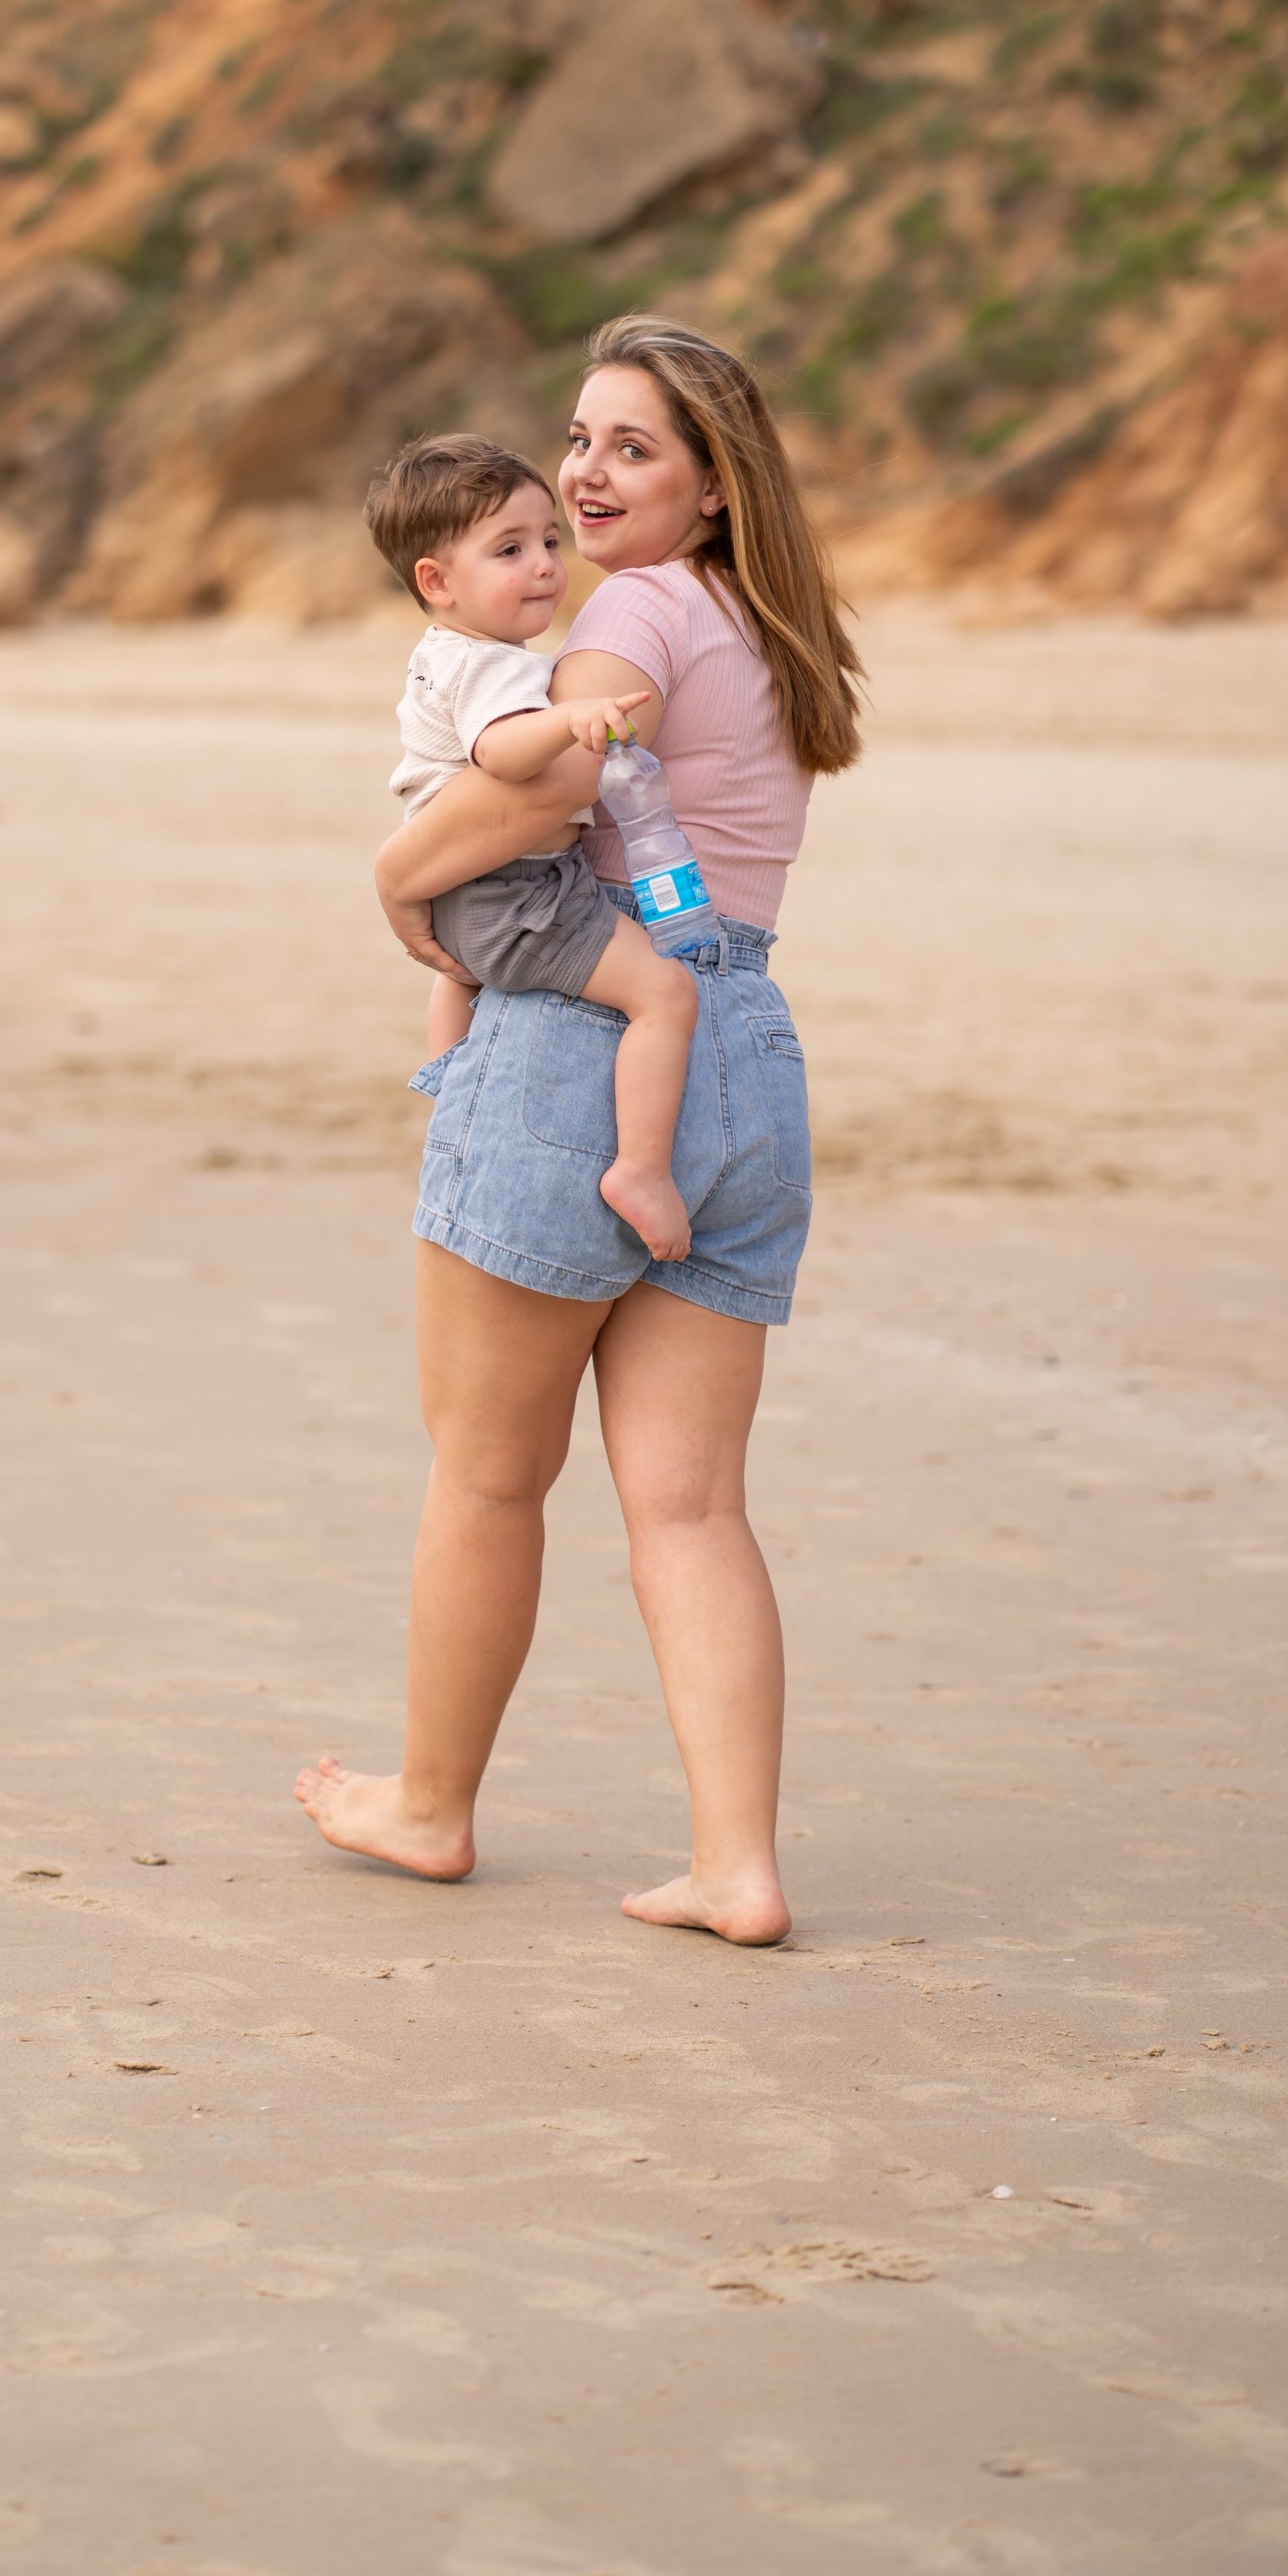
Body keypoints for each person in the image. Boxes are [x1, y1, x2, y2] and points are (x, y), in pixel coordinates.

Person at [297, 317, 863, 1946]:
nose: (587, 474)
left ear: (712, 483)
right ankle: (736, 1864)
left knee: (488, 1478)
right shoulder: (765, 627)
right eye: (579, 438)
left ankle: (428, 1805)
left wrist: (395, 876)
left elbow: (551, 788)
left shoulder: (629, 614)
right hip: (738, 1045)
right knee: (691, 1508)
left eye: (633, 447)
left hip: (579, 1043)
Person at [370, 432, 700, 1262]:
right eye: (510, 550)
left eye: (550, 541)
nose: (547, 566)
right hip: (515, 889)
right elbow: (506, 756)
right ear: (437, 582)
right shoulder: (492, 668)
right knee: (664, 995)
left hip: (466, 889)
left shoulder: (447, 653)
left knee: (463, 973)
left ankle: (452, 1082)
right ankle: (641, 1169)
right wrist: (571, 718)